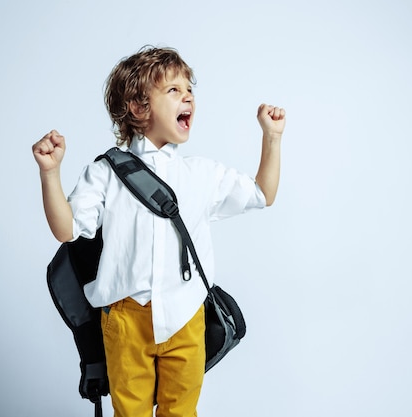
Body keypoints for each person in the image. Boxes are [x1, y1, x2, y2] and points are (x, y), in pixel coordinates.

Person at [32, 45, 285, 417]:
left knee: (180, 413)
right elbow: (66, 229)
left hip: (185, 317)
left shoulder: (201, 173)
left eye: (189, 90)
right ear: (138, 107)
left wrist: (272, 138)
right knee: (129, 413)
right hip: (125, 319)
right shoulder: (106, 172)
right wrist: (50, 174)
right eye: (173, 90)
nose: (187, 96)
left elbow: (263, 193)